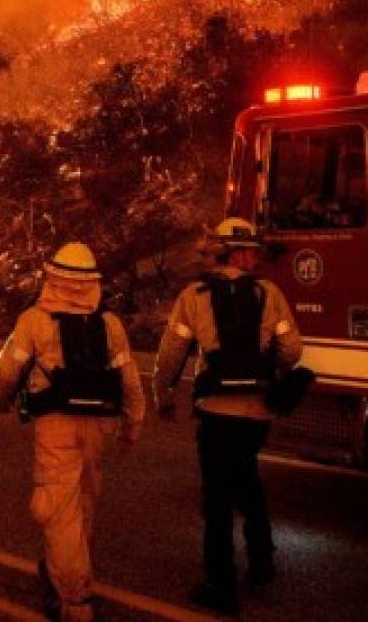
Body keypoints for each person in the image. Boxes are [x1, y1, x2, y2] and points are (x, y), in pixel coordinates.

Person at [153, 217, 303, 615]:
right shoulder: (268, 294)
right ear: (234, 253)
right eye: (249, 251)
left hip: (216, 412)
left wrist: (163, 394)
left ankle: (220, 587)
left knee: (217, 499)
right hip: (256, 412)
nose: (254, 258)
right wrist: (268, 370)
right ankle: (261, 563)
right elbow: (292, 349)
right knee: (248, 481)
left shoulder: (194, 295)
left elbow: (172, 353)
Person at [0, 242, 145, 622]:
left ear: (53, 278)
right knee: (84, 503)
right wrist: (132, 425)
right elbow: (130, 381)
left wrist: (1, 400)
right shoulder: (109, 324)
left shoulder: (35, 320)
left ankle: (74, 600)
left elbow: (7, 372)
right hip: (98, 426)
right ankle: (66, 571)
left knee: (59, 510)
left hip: (55, 424)